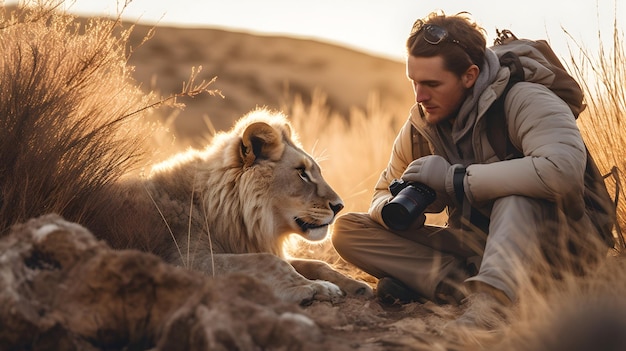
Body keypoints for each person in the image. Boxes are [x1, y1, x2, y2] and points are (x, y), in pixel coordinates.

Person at [331, 11, 614, 329]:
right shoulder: (422, 124)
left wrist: (453, 181)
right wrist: (398, 209)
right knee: (348, 230)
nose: (420, 96)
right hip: (480, 245)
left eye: (432, 84)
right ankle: (463, 286)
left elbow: (560, 173)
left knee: (517, 192)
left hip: (563, 248)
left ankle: (491, 305)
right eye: (414, 82)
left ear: (469, 76)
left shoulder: (525, 98)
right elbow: (380, 193)